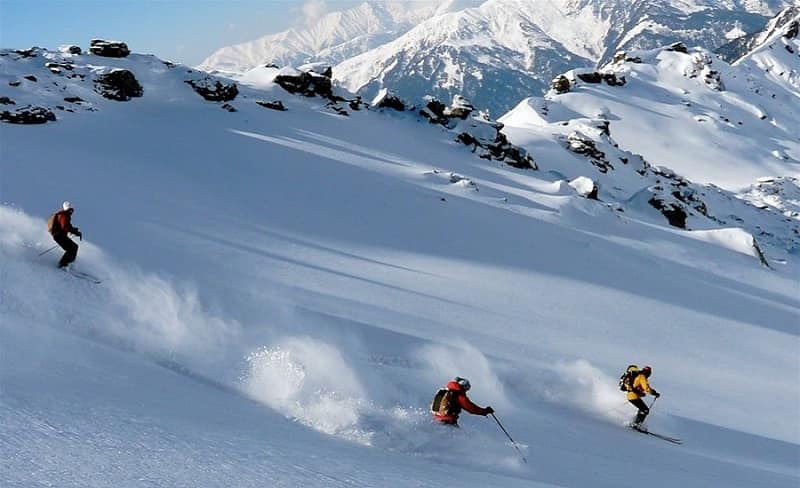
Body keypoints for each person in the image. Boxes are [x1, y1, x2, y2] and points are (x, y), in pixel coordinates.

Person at [49, 201, 82, 268]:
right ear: (68, 209)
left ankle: (65, 263)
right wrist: (75, 232)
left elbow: (67, 226)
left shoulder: (63, 215)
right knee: (73, 248)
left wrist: (75, 230)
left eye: (72, 210)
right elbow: (65, 226)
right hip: (59, 235)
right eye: (71, 210)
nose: (72, 212)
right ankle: (63, 264)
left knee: (72, 248)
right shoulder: (64, 215)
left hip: (58, 235)